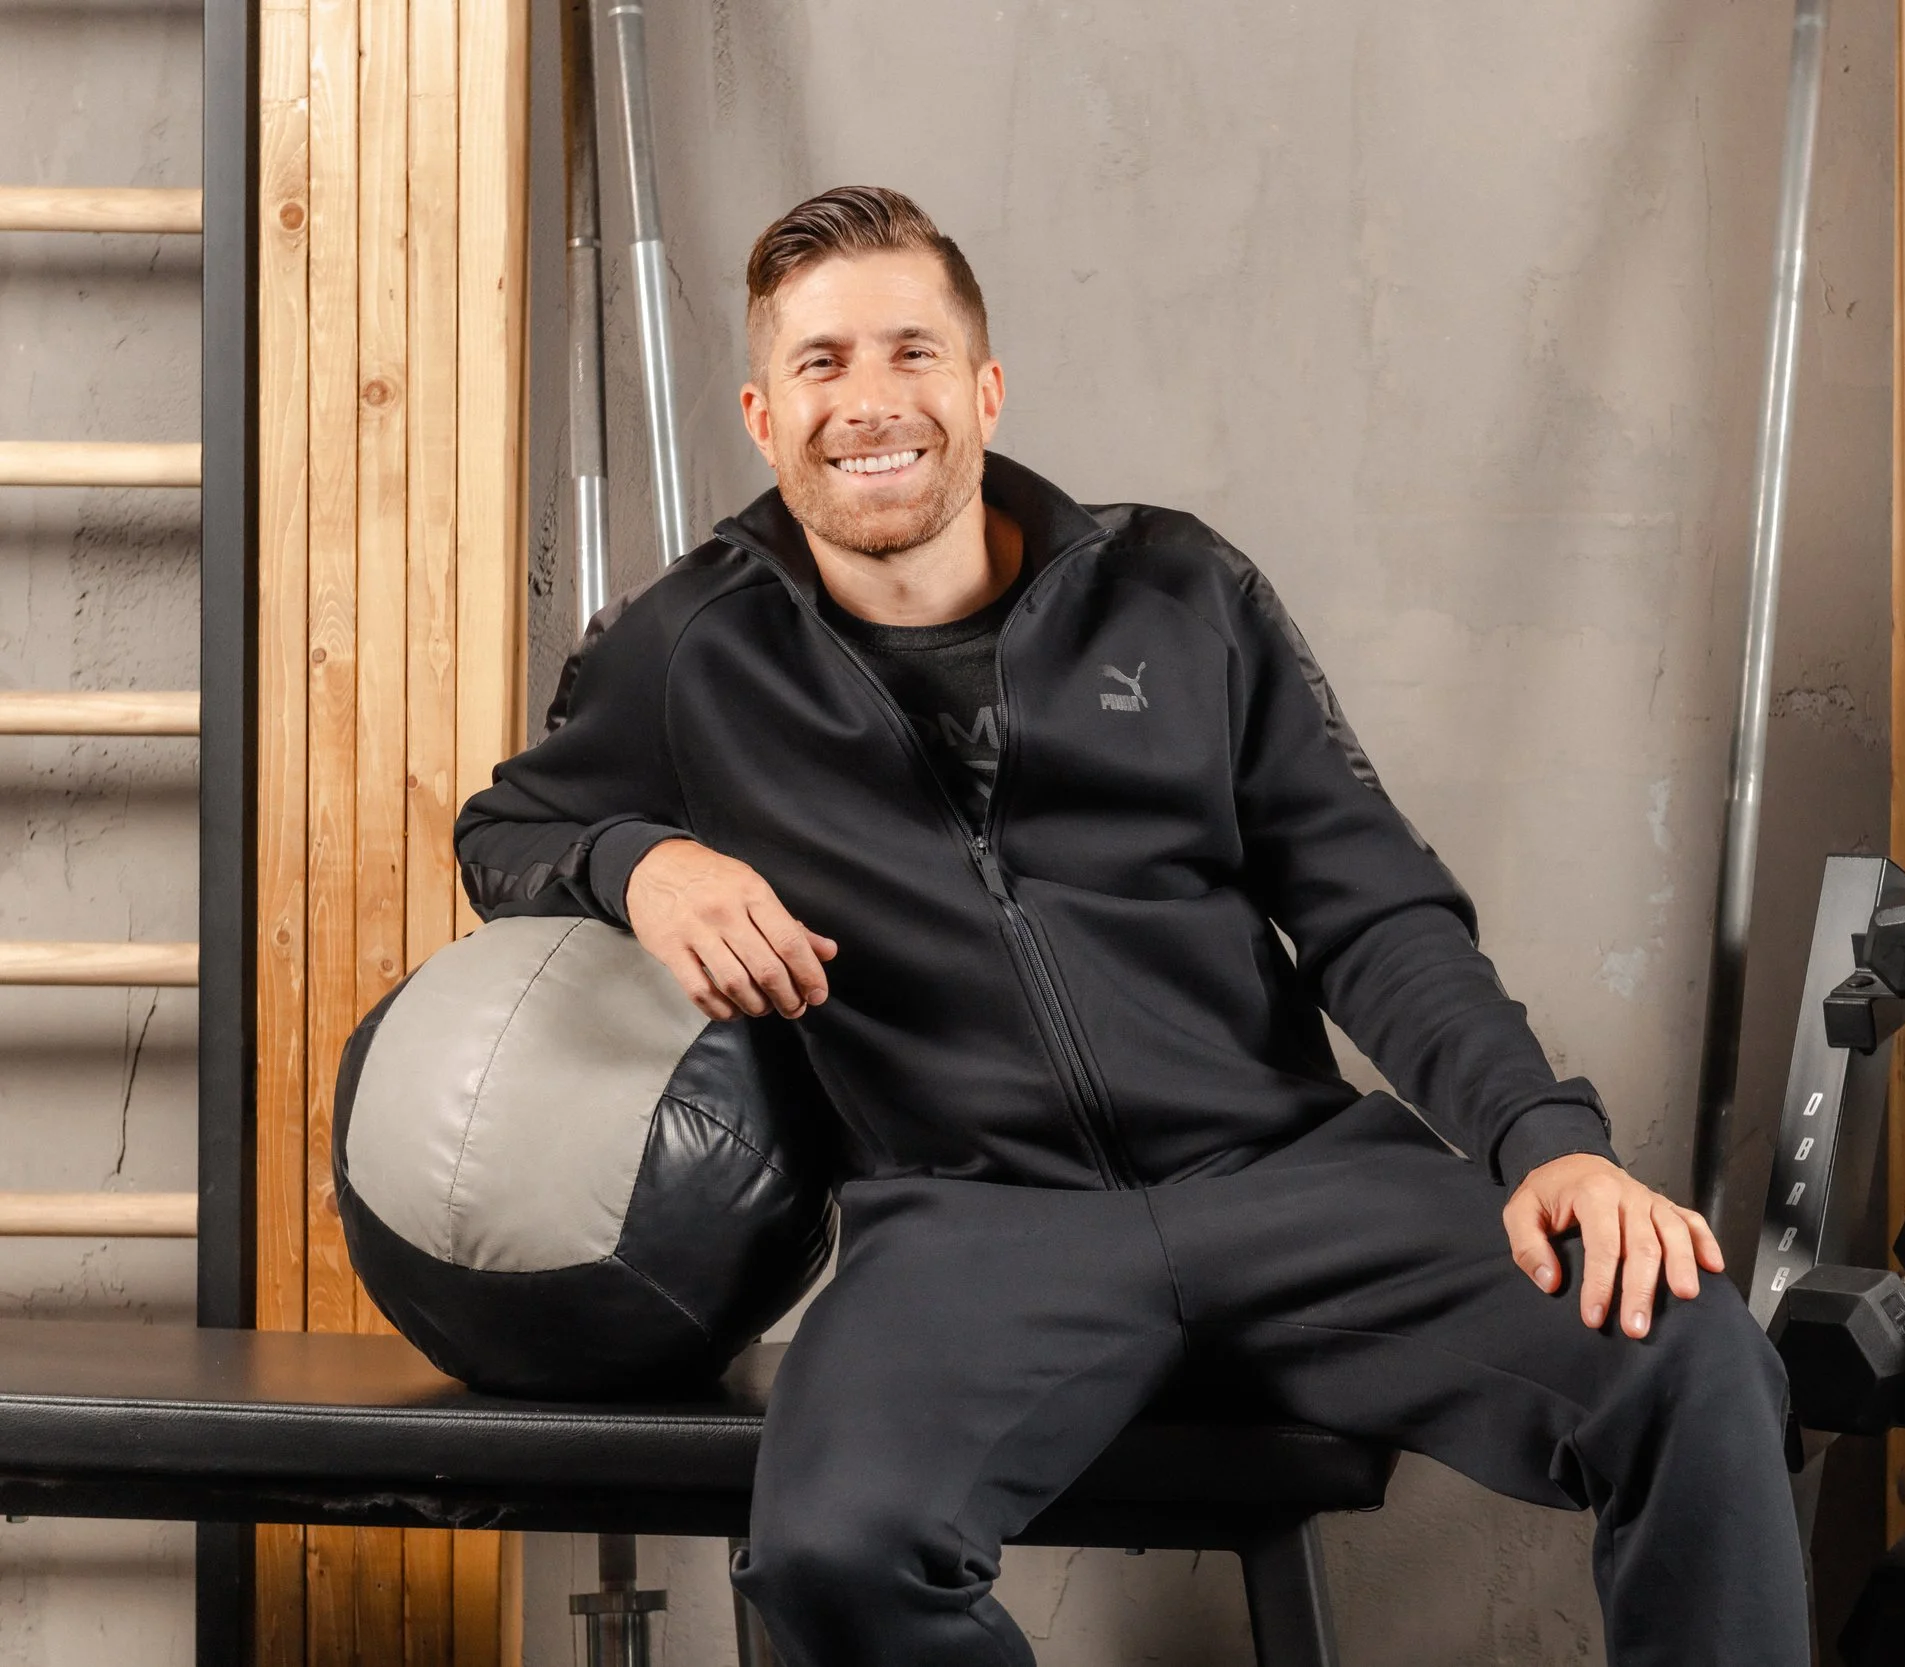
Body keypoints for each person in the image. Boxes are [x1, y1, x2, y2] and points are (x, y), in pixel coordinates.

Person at [455, 185, 1807, 1667]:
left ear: (984, 388)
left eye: (910, 351)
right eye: (822, 364)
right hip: (974, 1222)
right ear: (763, 416)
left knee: (1689, 1351)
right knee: (835, 1553)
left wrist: (1549, 1143)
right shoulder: (690, 649)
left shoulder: (1179, 591)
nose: (870, 400)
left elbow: (1377, 912)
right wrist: (645, 861)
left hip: (1293, 1185)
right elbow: (503, 829)